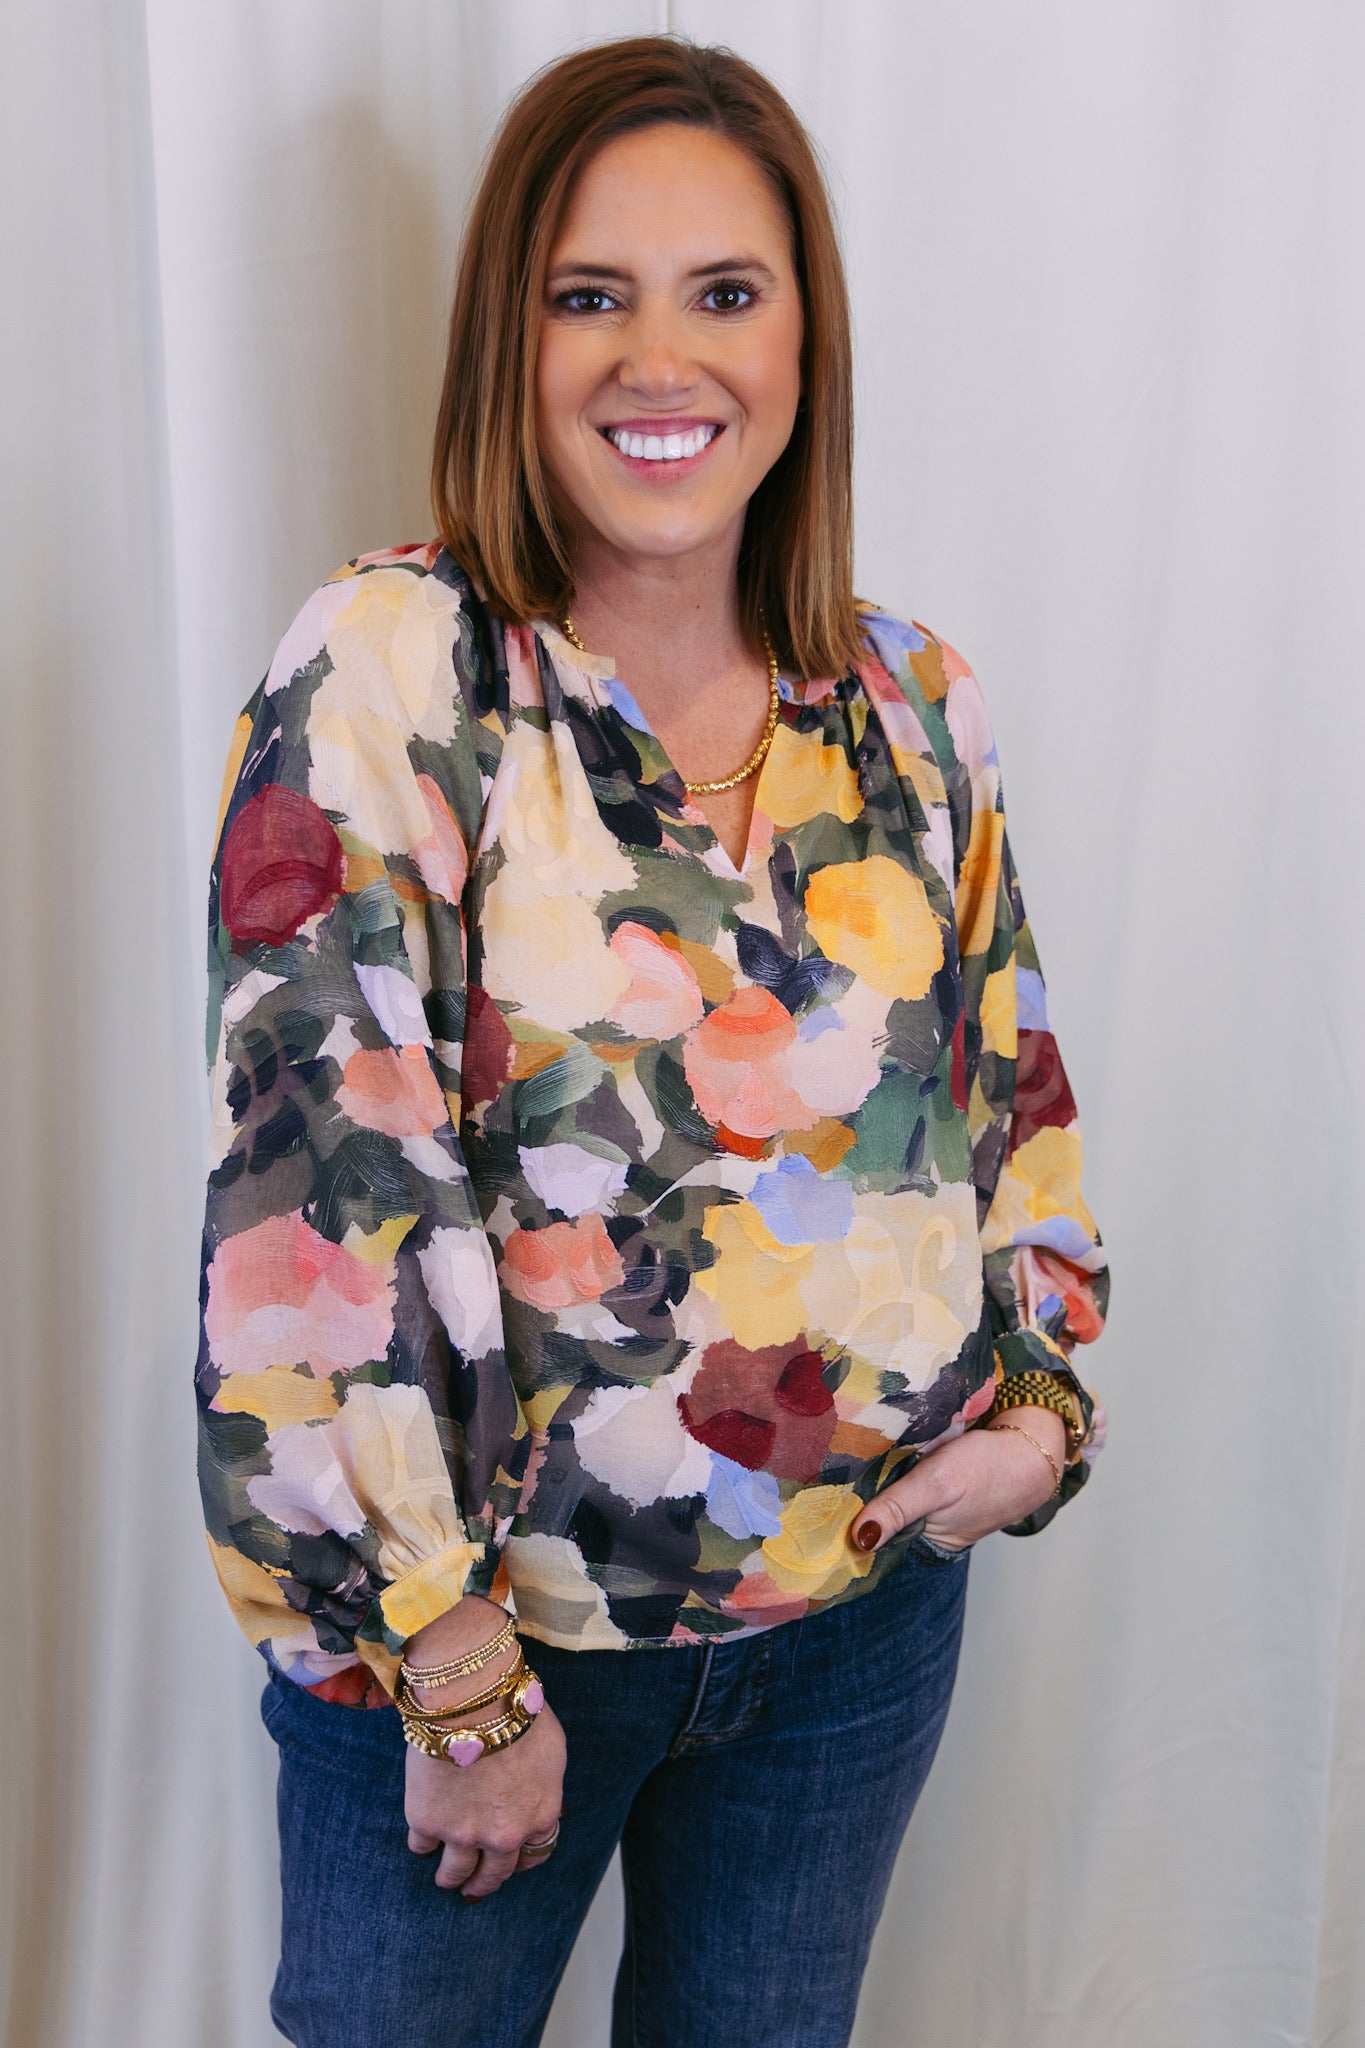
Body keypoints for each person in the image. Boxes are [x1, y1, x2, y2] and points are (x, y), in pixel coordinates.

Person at [198, 35, 1108, 2048]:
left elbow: (1004, 1084)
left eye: (723, 293)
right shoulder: (391, 669)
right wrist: (450, 1663)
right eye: (588, 295)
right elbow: (313, 1211)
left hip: (851, 1636)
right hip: (487, 1655)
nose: (656, 360)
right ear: (508, 341)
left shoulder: (908, 699)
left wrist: (1037, 1404)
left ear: (804, 340)